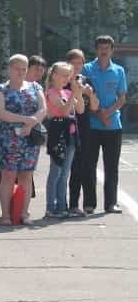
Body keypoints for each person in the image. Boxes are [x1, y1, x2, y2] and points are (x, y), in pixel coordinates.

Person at [0, 54, 47, 226]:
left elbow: (43, 109)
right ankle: (6, 215)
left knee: (26, 175)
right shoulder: (0, 89)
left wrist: (31, 124)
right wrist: (26, 120)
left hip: (30, 137)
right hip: (8, 138)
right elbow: (0, 112)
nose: (21, 72)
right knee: (8, 175)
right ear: (9, 69)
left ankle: (24, 213)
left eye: (24, 69)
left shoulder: (35, 87)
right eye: (17, 68)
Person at [81, 36, 128, 214]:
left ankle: (111, 203)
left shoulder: (119, 71)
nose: (104, 51)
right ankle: (89, 203)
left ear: (112, 50)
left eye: (107, 48)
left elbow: (122, 97)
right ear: (96, 49)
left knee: (111, 167)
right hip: (92, 125)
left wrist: (108, 113)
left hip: (113, 125)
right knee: (89, 165)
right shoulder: (87, 69)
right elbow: (85, 97)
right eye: (100, 48)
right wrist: (99, 113)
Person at [44, 62, 85, 218]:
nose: (66, 78)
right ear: (54, 75)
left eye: (68, 75)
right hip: (58, 135)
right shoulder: (52, 92)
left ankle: (62, 206)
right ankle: (50, 207)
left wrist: (78, 93)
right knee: (56, 172)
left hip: (71, 135)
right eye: (63, 74)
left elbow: (80, 110)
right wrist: (74, 94)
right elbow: (63, 111)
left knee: (65, 173)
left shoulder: (67, 93)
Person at [66, 49, 100, 215]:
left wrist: (90, 93)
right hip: (68, 126)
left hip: (85, 127)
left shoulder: (87, 81)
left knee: (88, 165)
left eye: (80, 63)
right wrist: (76, 90)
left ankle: (90, 203)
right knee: (73, 167)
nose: (77, 66)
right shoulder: (62, 80)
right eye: (74, 63)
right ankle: (72, 204)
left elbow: (94, 107)